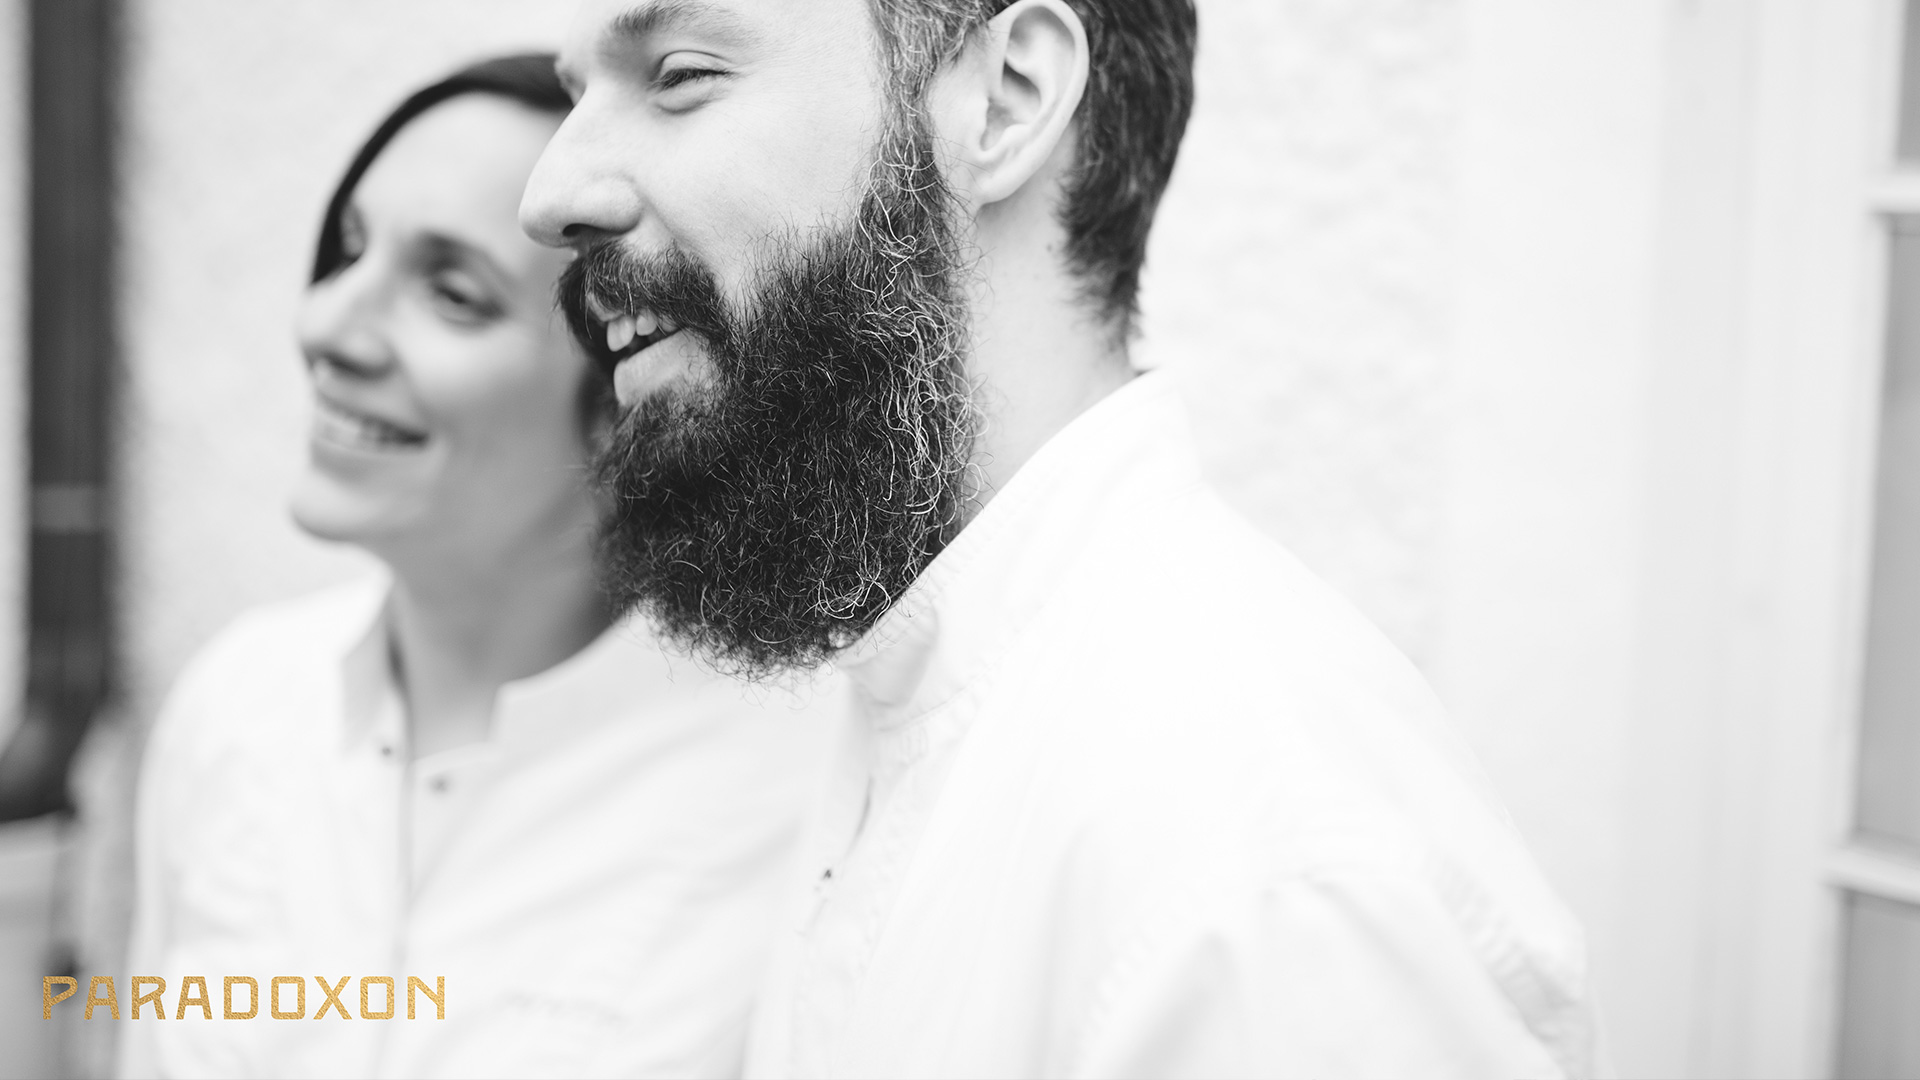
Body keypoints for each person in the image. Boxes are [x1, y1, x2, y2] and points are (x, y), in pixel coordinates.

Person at [522, 2, 1600, 1077]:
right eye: (576, 98)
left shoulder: (1258, 865)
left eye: (680, 75)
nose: (550, 197)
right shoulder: (909, 696)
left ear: (1004, 102)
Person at [122, 54, 836, 1079]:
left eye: (452, 294)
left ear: (630, 390)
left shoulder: (792, 788)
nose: (327, 328)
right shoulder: (237, 710)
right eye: (349, 251)